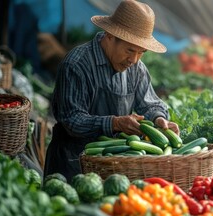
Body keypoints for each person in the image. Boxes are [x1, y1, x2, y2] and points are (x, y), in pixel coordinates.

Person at [44, 0, 179, 182]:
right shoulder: (76, 65)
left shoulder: (136, 68)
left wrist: (158, 118)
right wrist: (114, 123)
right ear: (109, 36)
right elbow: (72, 120)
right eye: (130, 50)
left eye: (141, 52)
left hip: (115, 167)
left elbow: (150, 103)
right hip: (73, 164)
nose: (134, 59)